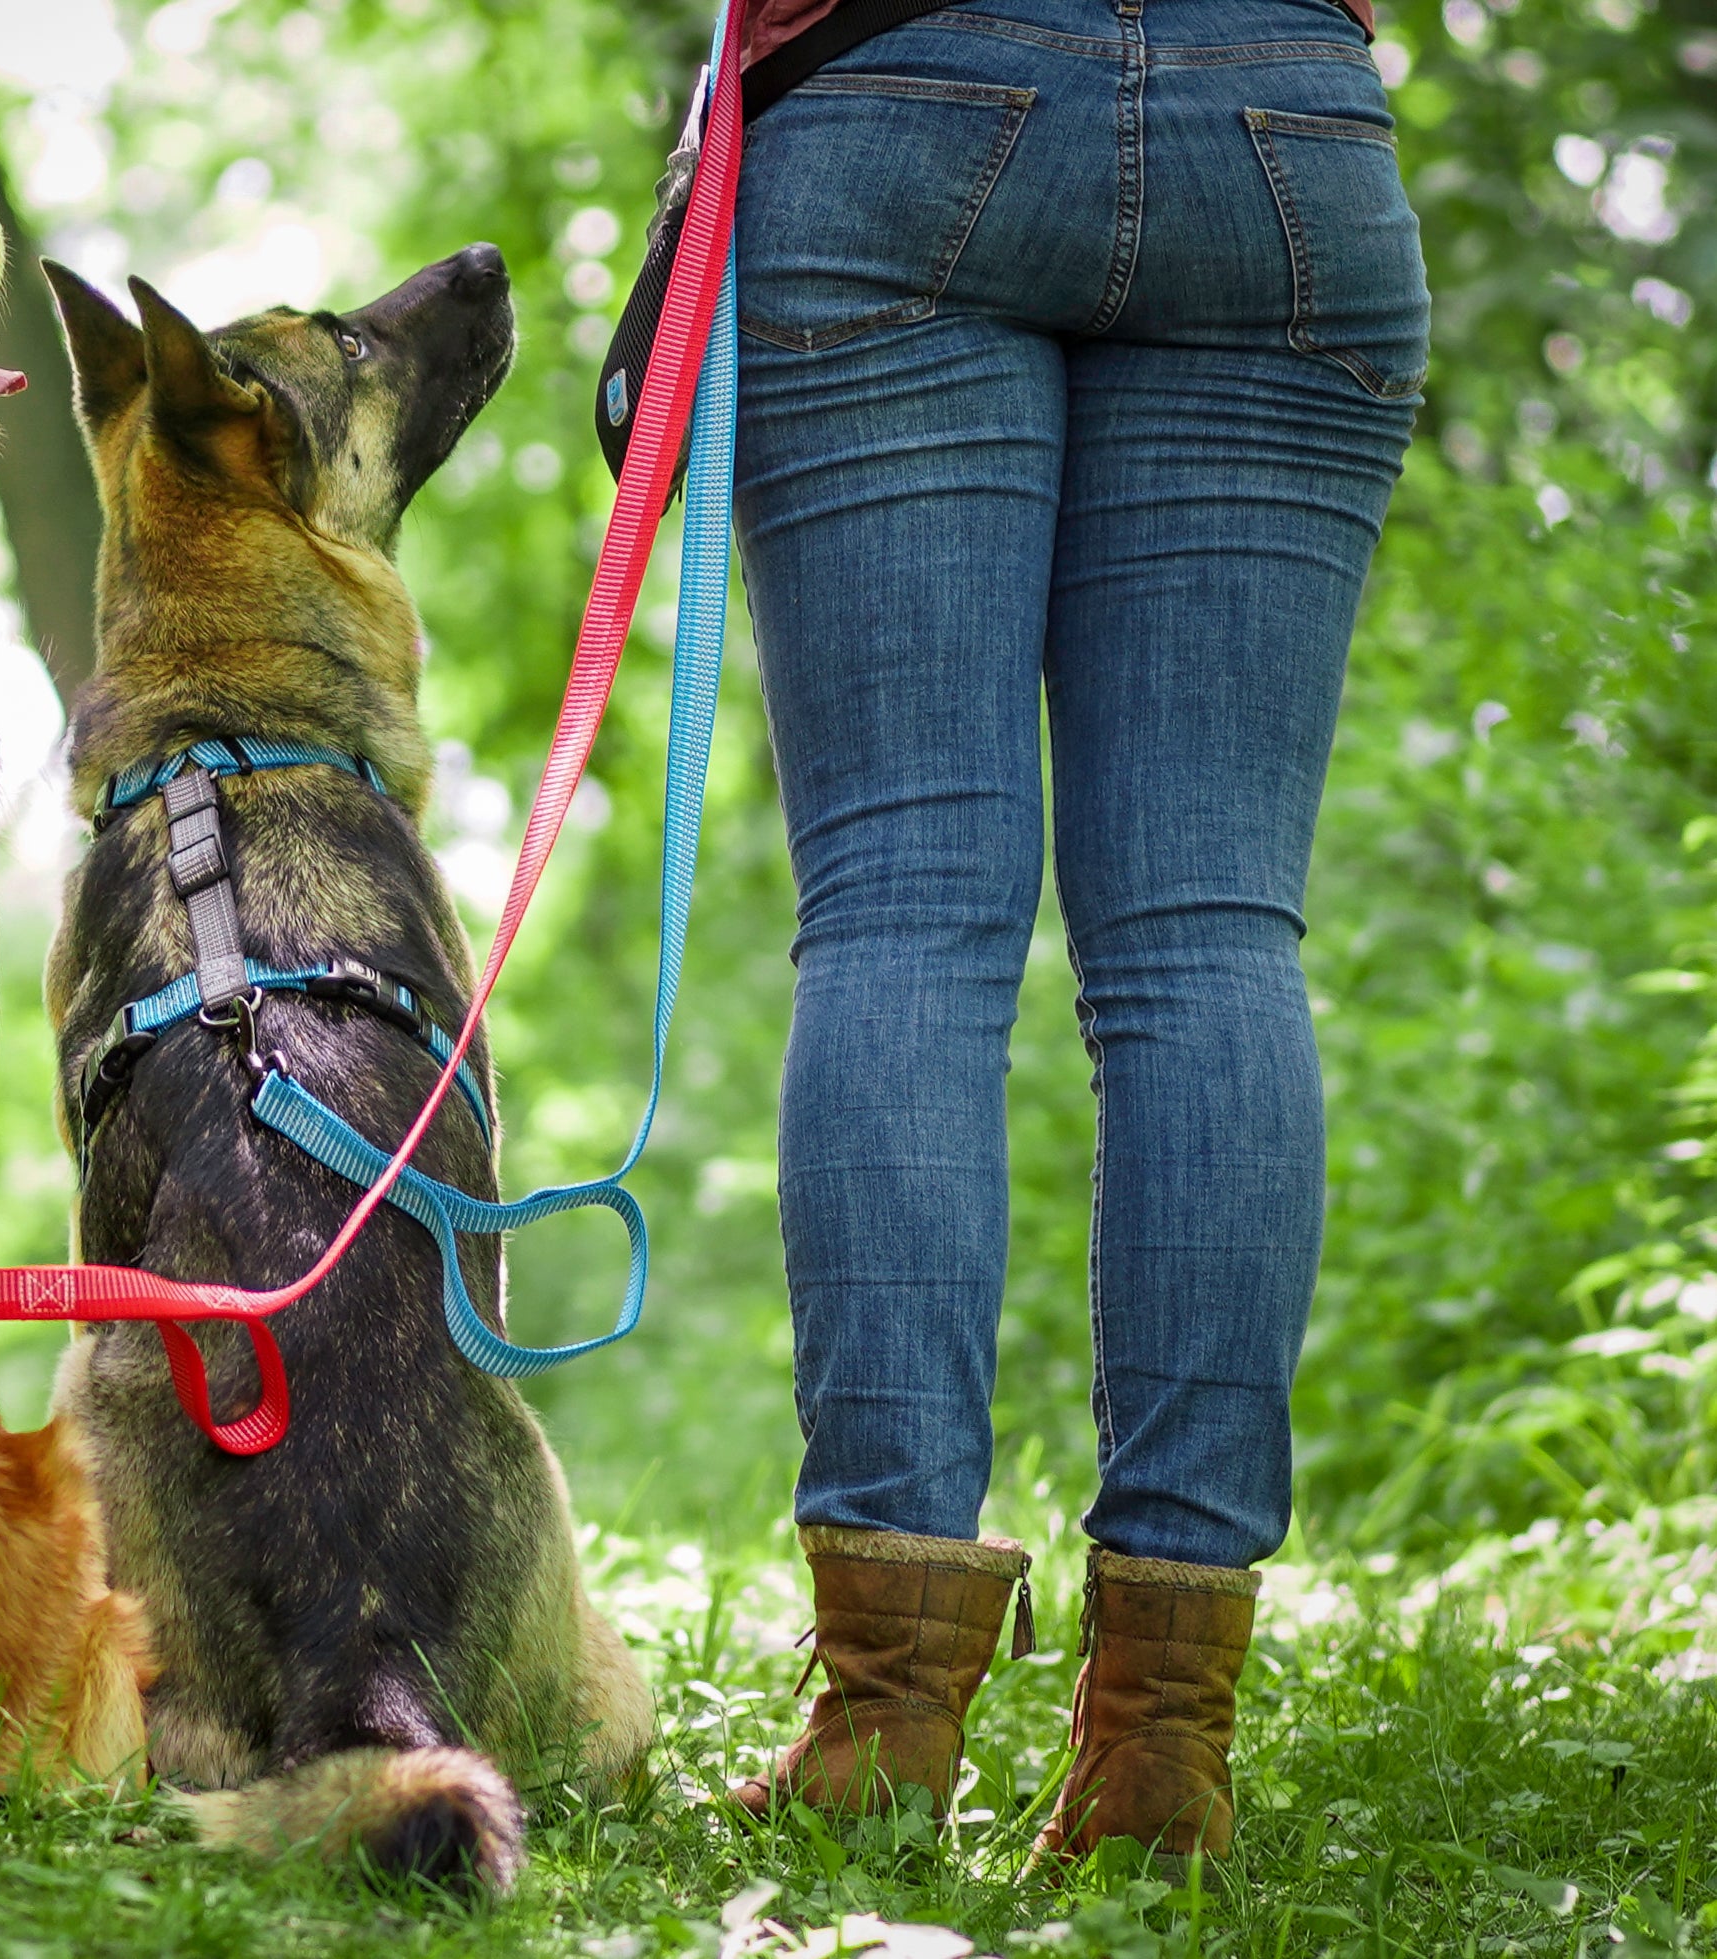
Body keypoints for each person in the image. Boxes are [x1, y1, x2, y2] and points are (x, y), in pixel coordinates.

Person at [697, 0, 1428, 1862]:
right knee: (1206, 945)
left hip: (887, 99)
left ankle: (880, 1719)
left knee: (902, 920)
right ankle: (1162, 1750)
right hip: (1282, 129)